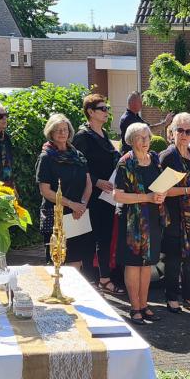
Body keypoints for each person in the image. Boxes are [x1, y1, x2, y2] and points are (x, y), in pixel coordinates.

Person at [113, 123, 166, 325]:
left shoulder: (154, 159)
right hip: (132, 222)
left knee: (147, 265)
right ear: (131, 140)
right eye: (140, 138)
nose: (145, 142)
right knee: (134, 264)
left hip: (152, 218)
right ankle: (134, 308)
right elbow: (118, 195)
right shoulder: (125, 163)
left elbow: (159, 188)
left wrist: (160, 196)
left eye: (147, 137)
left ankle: (144, 305)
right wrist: (148, 197)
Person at [159, 113, 190, 314]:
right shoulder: (168, 156)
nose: (184, 134)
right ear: (172, 132)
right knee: (172, 260)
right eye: (180, 130)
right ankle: (172, 298)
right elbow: (161, 190)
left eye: (188, 131)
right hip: (173, 216)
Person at [72, 94, 124, 294]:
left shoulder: (103, 133)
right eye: (102, 108)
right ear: (90, 112)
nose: (106, 112)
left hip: (107, 197)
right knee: (89, 239)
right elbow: (77, 168)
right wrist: (97, 182)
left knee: (104, 238)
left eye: (106, 108)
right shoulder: (82, 136)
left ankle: (104, 279)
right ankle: (90, 281)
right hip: (90, 196)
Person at [36, 114, 93, 270]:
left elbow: (88, 183)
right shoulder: (46, 157)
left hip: (77, 215)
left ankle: (73, 294)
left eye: (65, 129)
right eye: (58, 130)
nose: (62, 133)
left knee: (76, 261)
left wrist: (81, 206)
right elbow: (45, 191)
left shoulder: (78, 155)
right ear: (51, 133)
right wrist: (72, 205)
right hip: (56, 215)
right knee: (57, 261)